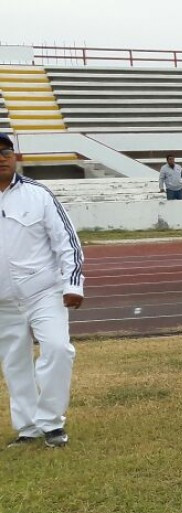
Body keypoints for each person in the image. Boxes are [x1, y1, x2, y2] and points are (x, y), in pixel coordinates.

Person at [0, 133, 84, 447]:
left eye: (6, 151)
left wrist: (73, 284)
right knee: (14, 363)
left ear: (15, 157)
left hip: (44, 292)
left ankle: (51, 423)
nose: (1, 157)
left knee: (59, 350)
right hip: (3, 303)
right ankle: (28, 429)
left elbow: (68, 242)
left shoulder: (39, 195)